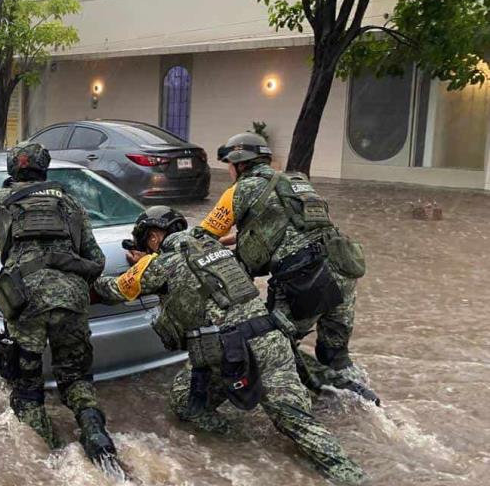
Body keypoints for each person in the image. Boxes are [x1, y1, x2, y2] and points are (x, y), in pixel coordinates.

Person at [96, 207, 366, 484]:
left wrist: (136, 266)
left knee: (186, 404)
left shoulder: (160, 265)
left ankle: (237, 448)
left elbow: (112, 290)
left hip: (233, 353)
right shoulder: (215, 248)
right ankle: (352, 475)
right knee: (299, 423)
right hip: (273, 338)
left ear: (153, 237)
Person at [0, 143, 122, 473]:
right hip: (73, 300)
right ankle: (96, 437)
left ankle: (48, 465)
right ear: (44, 168)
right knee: (76, 378)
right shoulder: (72, 203)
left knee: (27, 388)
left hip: (25, 300)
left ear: (12, 167)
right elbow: (96, 260)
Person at [200, 133, 377, 403]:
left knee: (271, 344)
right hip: (342, 269)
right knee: (335, 355)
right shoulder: (295, 182)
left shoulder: (240, 190)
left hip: (306, 281)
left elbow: (201, 237)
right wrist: (237, 238)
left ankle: (351, 397)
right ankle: (353, 406)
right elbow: (295, 226)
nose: (228, 171)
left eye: (229, 164)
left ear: (239, 164)